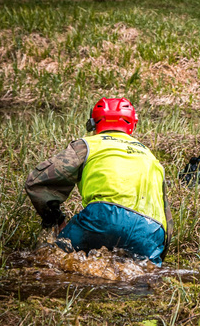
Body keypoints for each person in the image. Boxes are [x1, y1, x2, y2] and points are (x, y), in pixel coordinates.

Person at [25, 98, 173, 266]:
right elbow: (166, 215)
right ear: (134, 124)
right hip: (151, 230)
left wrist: (56, 221)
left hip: (103, 216)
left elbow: (36, 182)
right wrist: (157, 254)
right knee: (142, 275)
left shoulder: (87, 145)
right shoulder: (150, 157)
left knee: (53, 261)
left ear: (92, 123)